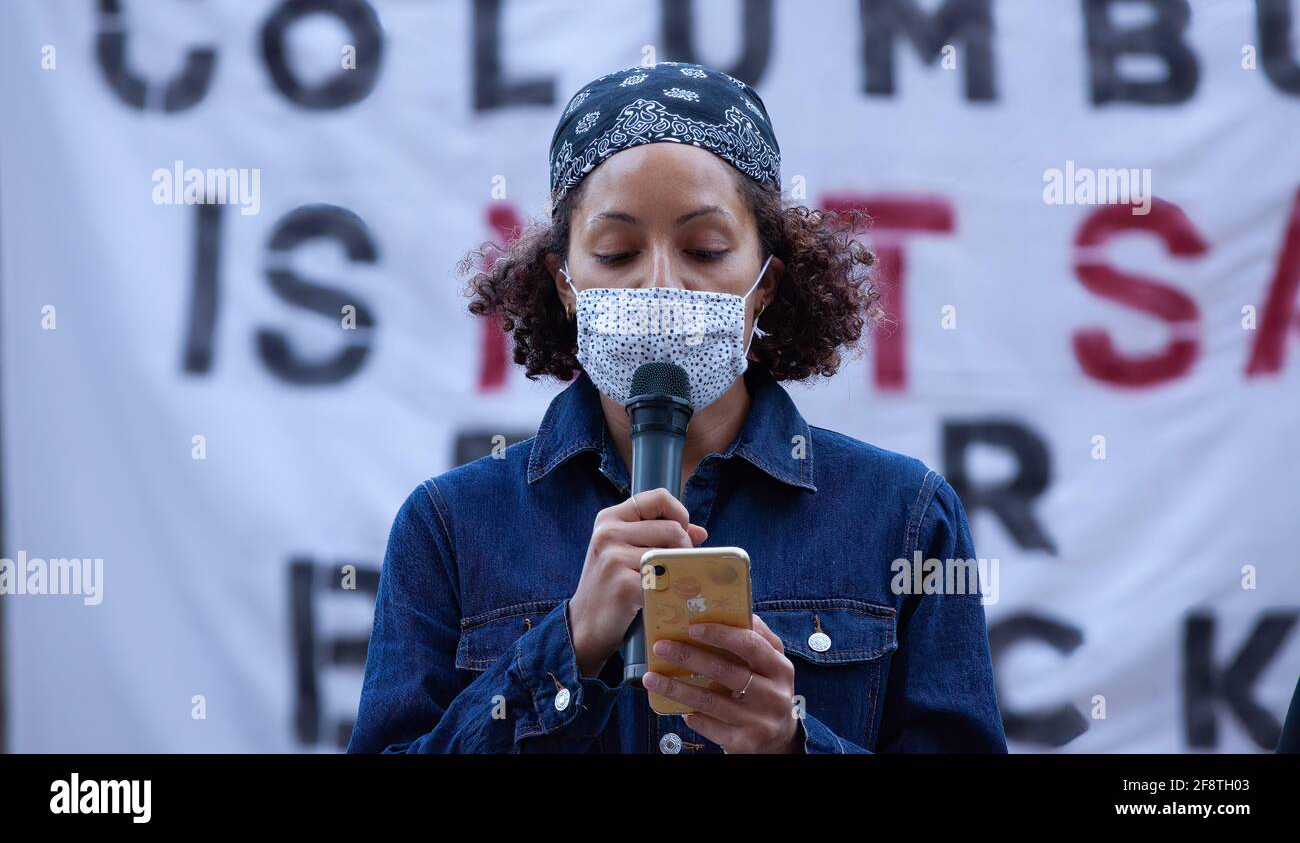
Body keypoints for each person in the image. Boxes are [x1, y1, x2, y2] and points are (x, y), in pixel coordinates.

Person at [348, 61, 1007, 753]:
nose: (661, 282)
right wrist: (566, 646)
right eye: (616, 251)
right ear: (564, 282)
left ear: (766, 283)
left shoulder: (905, 516)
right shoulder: (450, 527)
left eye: (705, 248)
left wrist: (792, 744)